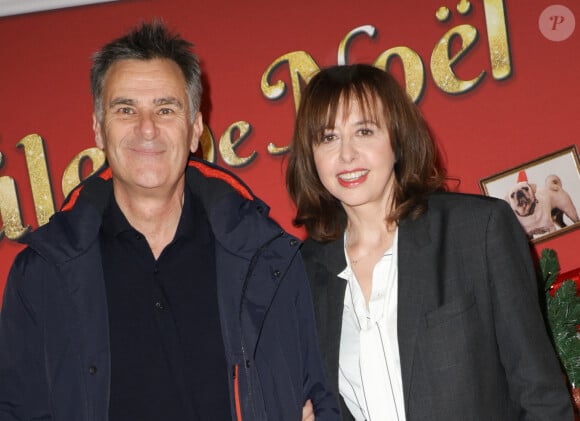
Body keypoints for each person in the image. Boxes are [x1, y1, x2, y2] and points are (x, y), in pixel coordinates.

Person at [0, 21, 338, 421]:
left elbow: (318, 399)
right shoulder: (42, 273)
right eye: (126, 109)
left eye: (166, 109)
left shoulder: (269, 259)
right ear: (98, 128)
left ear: (195, 129)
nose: (147, 129)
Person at [286, 64, 574, 420]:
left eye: (364, 131)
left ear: (397, 140)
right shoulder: (304, 272)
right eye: (328, 137)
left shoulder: (476, 231)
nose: (347, 155)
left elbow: (541, 396)